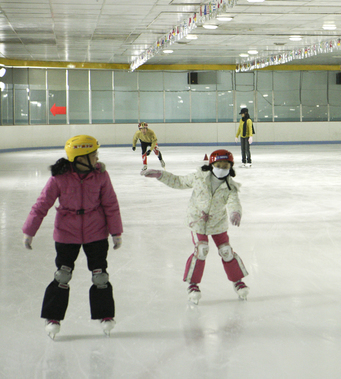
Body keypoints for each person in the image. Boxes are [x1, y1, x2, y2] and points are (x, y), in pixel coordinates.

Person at [22, 135, 123, 339]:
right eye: (93, 155)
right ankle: (53, 317)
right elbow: (42, 204)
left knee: (100, 275)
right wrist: (29, 230)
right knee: (63, 275)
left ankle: (105, 315)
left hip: (96, 232)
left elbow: (111, 204)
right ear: (80, 158)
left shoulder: (101, 176)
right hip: (66, 233)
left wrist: (116, 232)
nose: (97, 158)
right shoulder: (59, 178)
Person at [140, 149, 249, 303]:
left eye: (225, 166)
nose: (222, 168)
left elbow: (234, 202)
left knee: (226, 251)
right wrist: (161, 175)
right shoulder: (199, 177)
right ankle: (193, 284)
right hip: (197, 220)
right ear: (212, 165)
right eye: (219, 165)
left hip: (217, 222)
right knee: (202, 249)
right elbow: (179, 181)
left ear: (230, 168)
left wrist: (235, 213)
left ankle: (238, 281)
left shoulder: (230, 186)